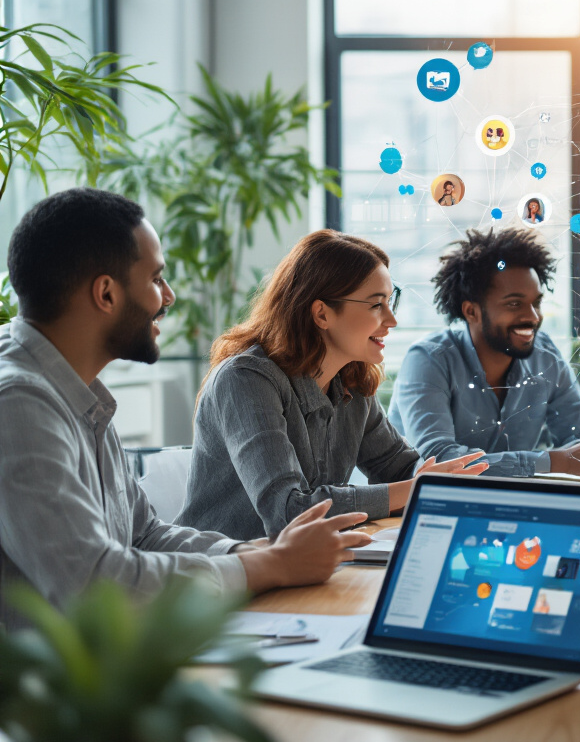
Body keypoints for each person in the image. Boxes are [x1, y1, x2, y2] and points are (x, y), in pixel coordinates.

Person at [0, 189, 371, 626]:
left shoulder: (78, 392)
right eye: (156, 278)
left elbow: (144, 534)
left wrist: (257, 551)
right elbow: (92, 586)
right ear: (106, 294)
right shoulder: (19, 405)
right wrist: (269, 566)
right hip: (71, 669)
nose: (169, 296)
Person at [177, 231, 486, 541]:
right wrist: (416, 488)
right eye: (376, 305)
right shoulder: (245, 379)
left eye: (391, 301)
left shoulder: (352, 381)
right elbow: (289, 513)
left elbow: (400, 467)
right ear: (322, 313)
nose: (391, 320)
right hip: (220, 567)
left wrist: (436, 481)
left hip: (307, 564)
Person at [388, 227, 580, 477]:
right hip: (426, 500)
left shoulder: (545, 355)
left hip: (516, 499)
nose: (533, 317)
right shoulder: (428, 360)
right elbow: (439, 460)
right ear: (471, 312)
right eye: (514, 303)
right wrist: (555, 462)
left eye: (536, 303)